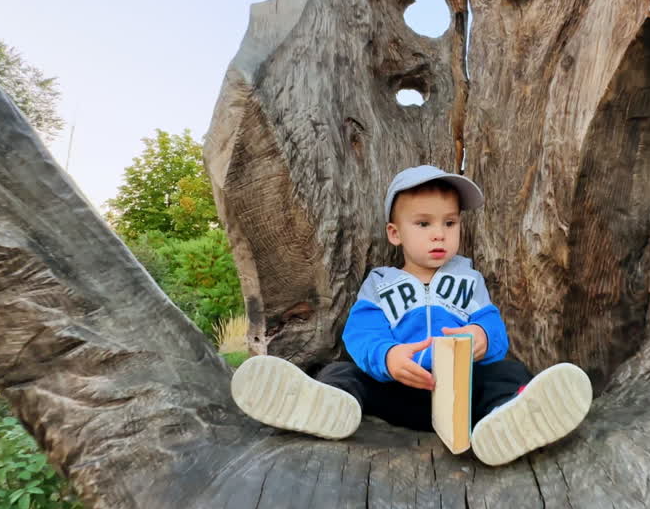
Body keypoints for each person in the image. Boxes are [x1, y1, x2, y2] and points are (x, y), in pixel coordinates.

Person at [230, 165, 593, 466]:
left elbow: (492, 326)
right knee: (341, 370)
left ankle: (510, 418)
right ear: (395, 233)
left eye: (449, 224)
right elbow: (362, 331)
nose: (439, 235)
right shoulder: (381, 283)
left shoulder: (467, 279)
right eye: (424, 224)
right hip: (398, 389)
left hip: (462, 393)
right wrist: (388, 357)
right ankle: (328, 405)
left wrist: (481, 338)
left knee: (508, 372)